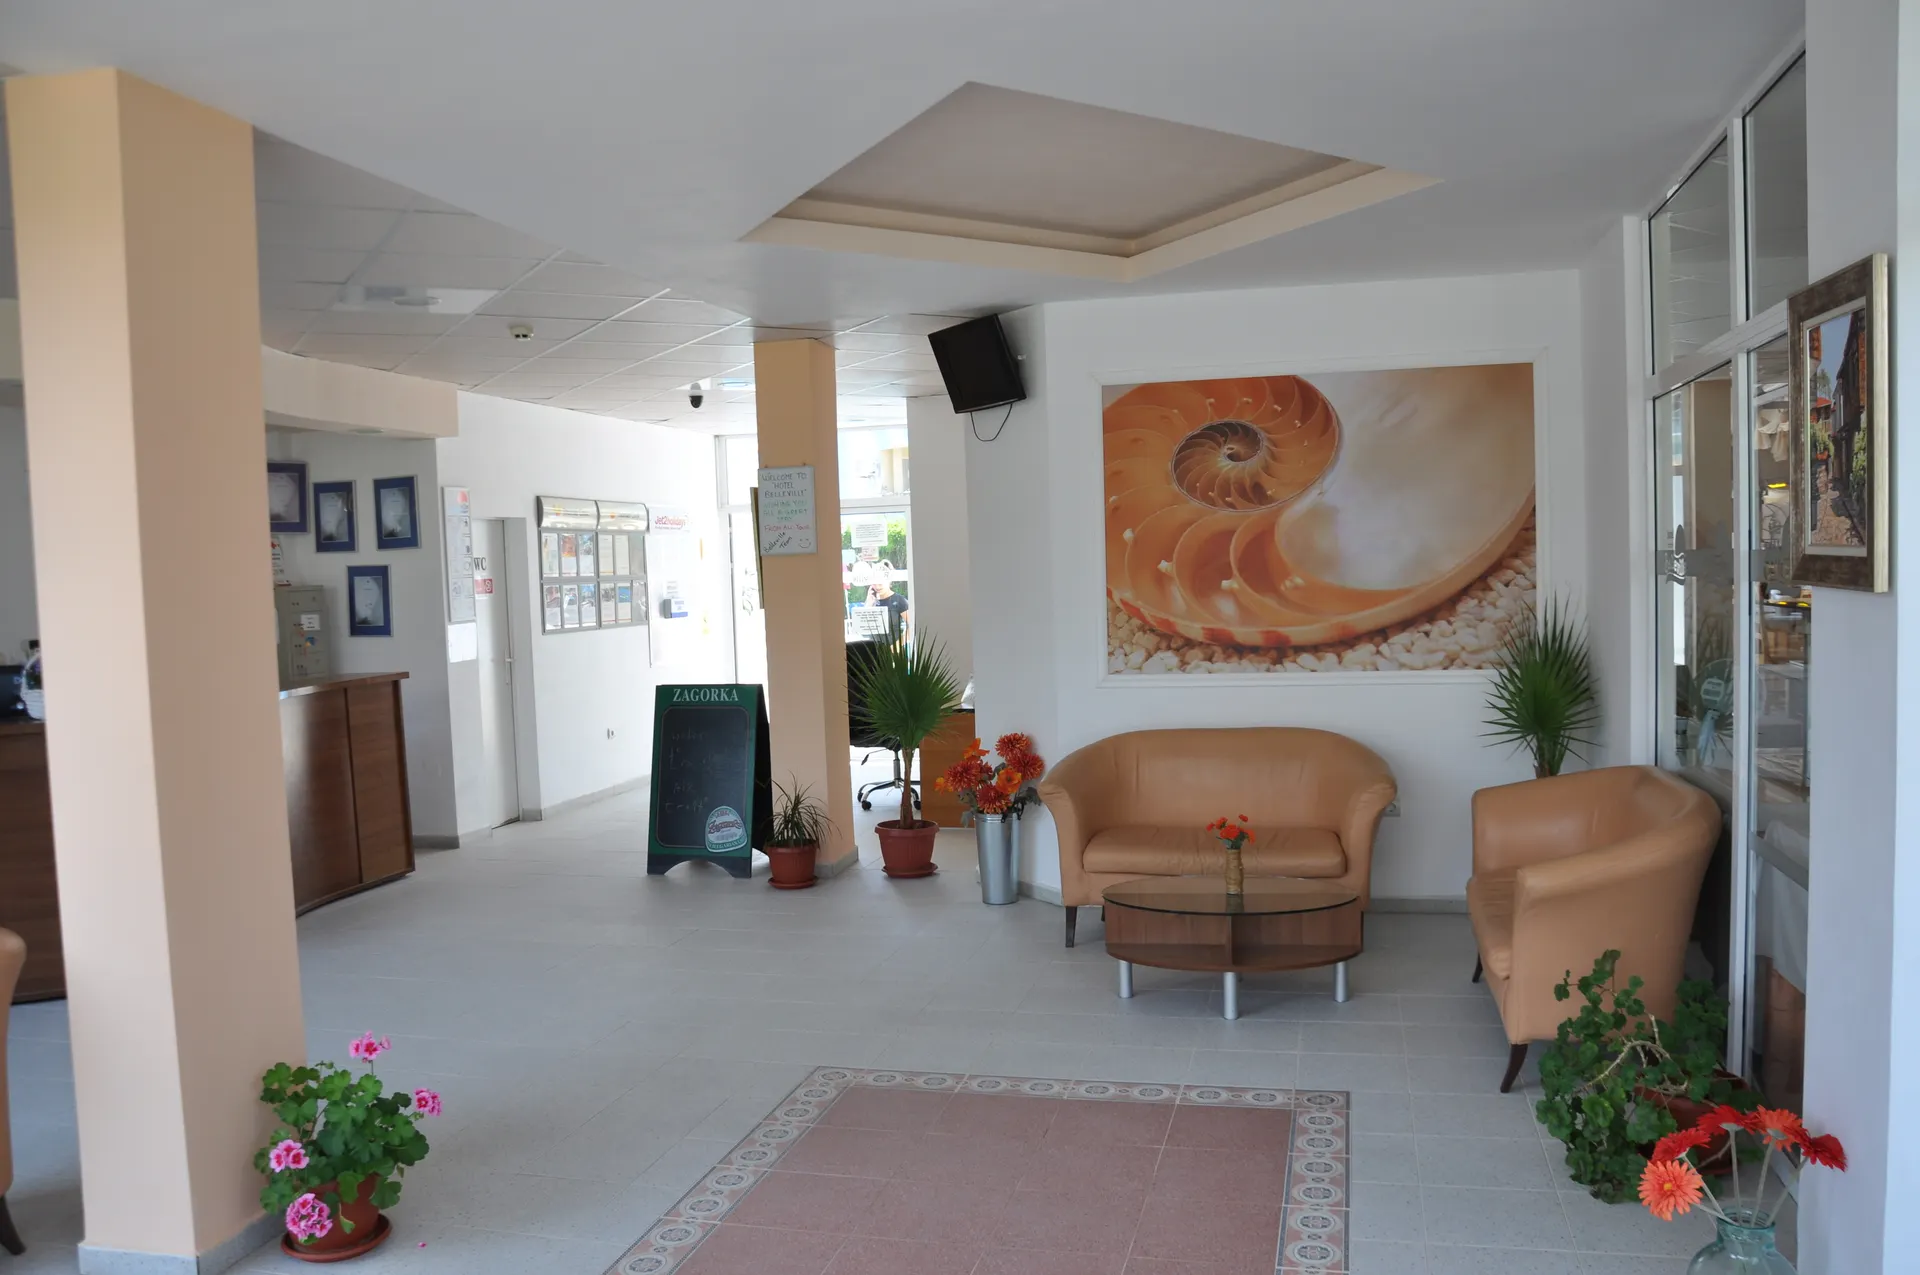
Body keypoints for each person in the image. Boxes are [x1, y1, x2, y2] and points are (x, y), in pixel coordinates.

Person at [868, 574, 910, 644]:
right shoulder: (871, 601)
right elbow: (863, 626)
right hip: (873, 647)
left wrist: (897, 645)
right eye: (874, 584)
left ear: (888, 582)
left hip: (892, 647)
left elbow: (911, 626)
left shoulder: (900, 600)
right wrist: (868, 604)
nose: (877, 587)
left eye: (880, 583)